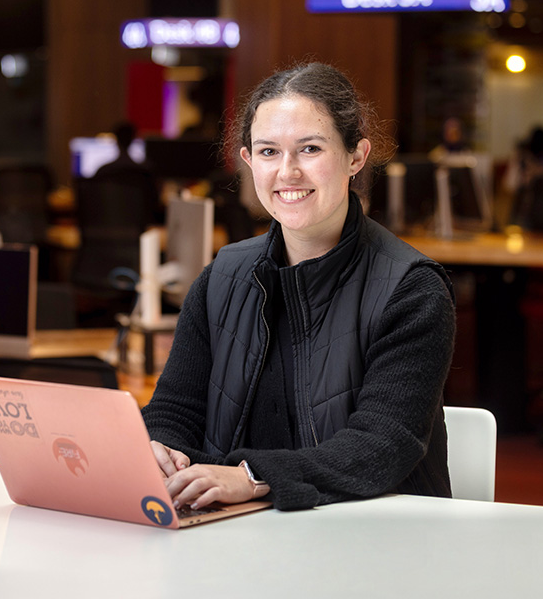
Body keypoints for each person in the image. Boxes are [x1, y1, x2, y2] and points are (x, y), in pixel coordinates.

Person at [141, 62, 456, 512]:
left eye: (309, 149)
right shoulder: (220, 278)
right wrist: (159, 448)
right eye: (268, 152)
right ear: (248, 161)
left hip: (378, 538)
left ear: (356, 156)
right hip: (239, 537)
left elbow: (382, 446)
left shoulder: (412, 289)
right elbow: (174, 410)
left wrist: (253, 477)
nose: (287, 172)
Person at [92, 122, 160, 228]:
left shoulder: (103, 171)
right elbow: (155, 204)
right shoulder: (146, 172)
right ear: (133, 140)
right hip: (139, 232)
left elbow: (93, 206)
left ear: (116, 140)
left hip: (106, 231)